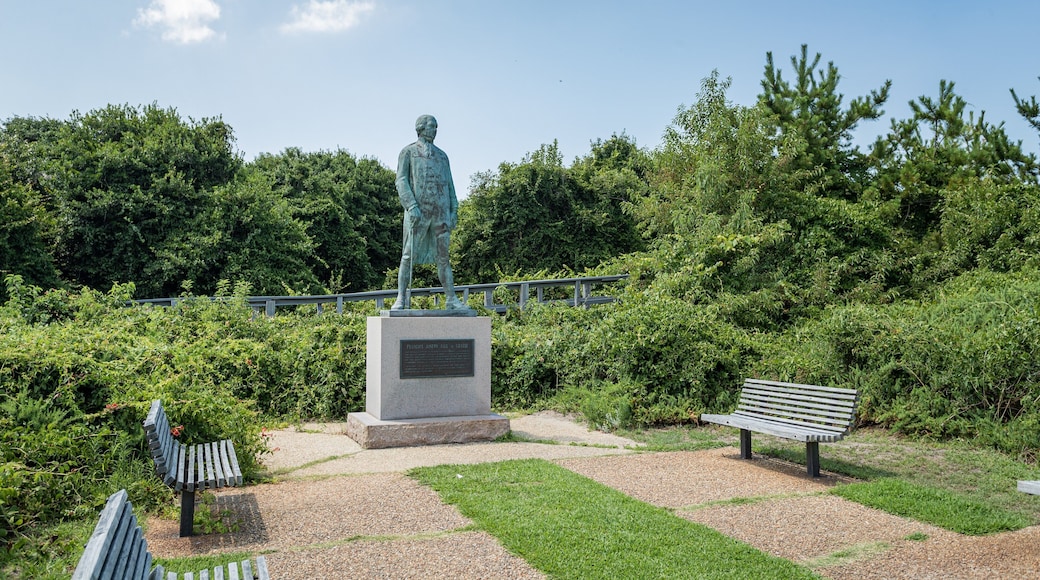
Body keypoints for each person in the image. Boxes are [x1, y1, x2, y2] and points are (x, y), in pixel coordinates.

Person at [391, 114, 467, 310]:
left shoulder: (442, 156)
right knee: (408, 255)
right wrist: (411, 205)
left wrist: (454, 210)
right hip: (419, 211)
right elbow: (401, 181)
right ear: (421, 128)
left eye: (436, 127)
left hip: (440, 212)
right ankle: (401, 298)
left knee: (444, 257)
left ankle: (451, 299)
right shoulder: (408, 152)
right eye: (432, 126)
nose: (435, 130)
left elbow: (450, 184)